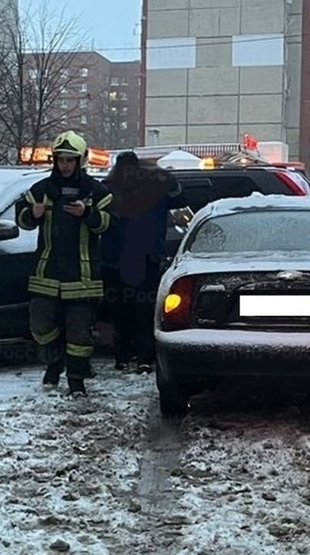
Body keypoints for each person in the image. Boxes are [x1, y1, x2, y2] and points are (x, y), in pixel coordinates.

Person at [15, 130, 114, 397]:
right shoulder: (40, 191)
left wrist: (88, 214)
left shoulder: (96, 191)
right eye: (61, 159)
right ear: (55, 160)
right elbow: (21, 220)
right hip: (46, 273)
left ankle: (76, 380)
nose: (65, 165)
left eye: (70, 159)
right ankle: (55, 360)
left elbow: (109, 223)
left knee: (79, 333)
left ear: (80, 160)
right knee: (40, 324)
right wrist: (30, 214)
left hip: (83, 277)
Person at [100, 151, 184, 373]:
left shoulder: (148, 189)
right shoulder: (108, 190)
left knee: (133, 310)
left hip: (130, 259)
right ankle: (131, 355)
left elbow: (178, 198)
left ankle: (134, 355)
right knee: (130, 310)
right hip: (126, 259)